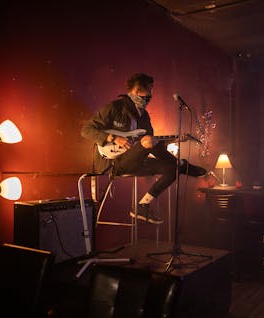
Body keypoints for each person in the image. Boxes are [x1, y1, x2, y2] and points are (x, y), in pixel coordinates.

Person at [81, 73, 207, 224]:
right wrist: (114, 138)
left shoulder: (144, 115)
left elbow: (153, 144)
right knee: (152, 144)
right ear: (136, 90)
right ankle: (182, 164)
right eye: (148, 89)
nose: (150, 94)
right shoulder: (115, 107)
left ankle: (142, 205)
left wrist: (175, 140)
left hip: (135, 159)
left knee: (172, 168)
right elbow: (86, 130)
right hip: (114, 164)